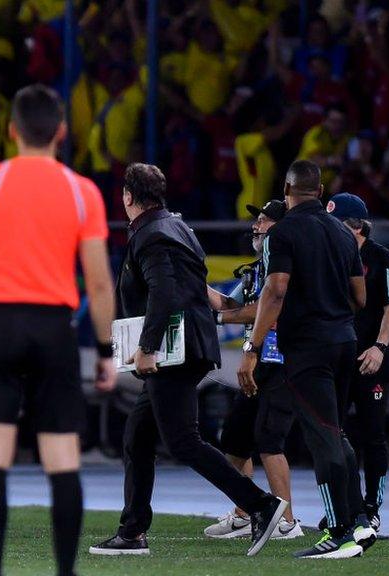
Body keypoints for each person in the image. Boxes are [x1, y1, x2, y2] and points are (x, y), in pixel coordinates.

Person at [0, 84, 117, 576]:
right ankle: (66, 572)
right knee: (62, 460)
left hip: (0, 326)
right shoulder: (83, 191)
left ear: (11, 130)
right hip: (52, 328)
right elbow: (98, 282)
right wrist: (103, 349)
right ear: (61, 131)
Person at [90, 163, 287, 558]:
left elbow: (165, 291)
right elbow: (193, 283)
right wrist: (223, 303)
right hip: (186, 347)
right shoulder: (177, 226)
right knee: (138, 436)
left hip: (173, 353)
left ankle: (262, 506)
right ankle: (131, 532)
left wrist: (146, 347)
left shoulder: (151, 234)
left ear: (127, 196)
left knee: (183, 441)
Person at [240, 160, 375, 559]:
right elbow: (361, 297)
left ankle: (339, 532)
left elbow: (276, 290)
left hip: (307, 347)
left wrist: (251, 349)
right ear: (320, 190)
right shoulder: (342, 233)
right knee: (334, 432)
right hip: (343, 342)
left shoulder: (282, 234)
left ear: (287, 188)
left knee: (322, 438)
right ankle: (360, 522)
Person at [204, 200, 302, 540]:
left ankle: (287, 521)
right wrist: (197, 283)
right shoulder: (260, 266)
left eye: (263, 220)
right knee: (235, 440)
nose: (256, 226)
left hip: (281, 360)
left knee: (269, 441)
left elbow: (261, 310)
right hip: (258, 363)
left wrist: (220, 318)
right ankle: (245, 512)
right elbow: (233, 304)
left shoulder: (286, 265)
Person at [326, 192, 389, 532]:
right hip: (338, 362)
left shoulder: (383, 260)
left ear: (355, 227)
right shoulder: (331, 259)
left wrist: (379, 348)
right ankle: (346, 507)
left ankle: (372, 507)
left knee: (372, 436)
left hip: (372, 363)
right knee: (335, 435)